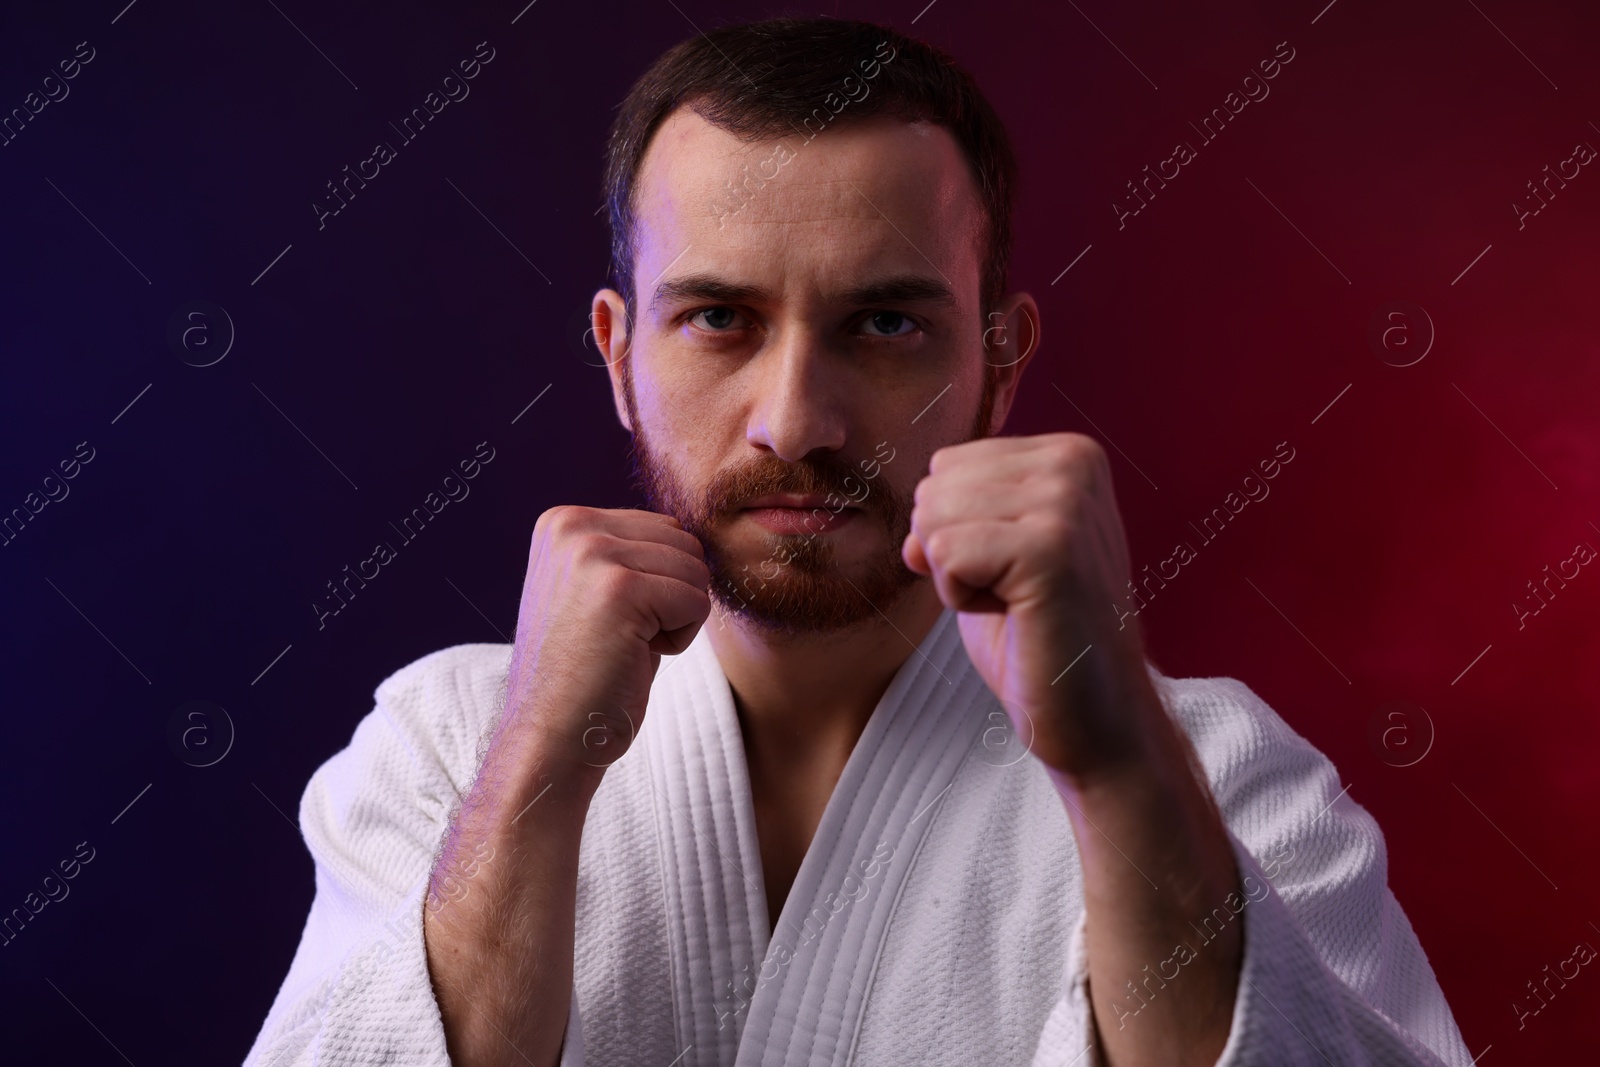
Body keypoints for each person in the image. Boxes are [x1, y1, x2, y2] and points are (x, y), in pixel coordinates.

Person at [244, 16, 1473, 1067]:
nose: (797, 420)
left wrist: (1119, 771)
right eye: (719, 317)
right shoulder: (450, 744)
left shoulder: (1218, 772)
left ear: (998, 361)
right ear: (620, 357)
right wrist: (538, 767)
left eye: (882, 321)